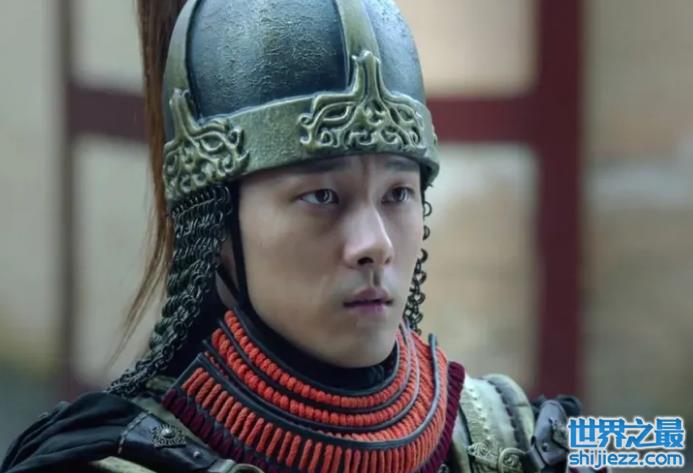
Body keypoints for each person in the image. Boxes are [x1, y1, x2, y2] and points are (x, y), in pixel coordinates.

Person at [1, 1, 597, 472]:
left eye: (397, 193)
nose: (376, 244)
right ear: (219, 226)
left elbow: (646, 448)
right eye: (322, 197)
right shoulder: (110, 459)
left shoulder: (510, 430)